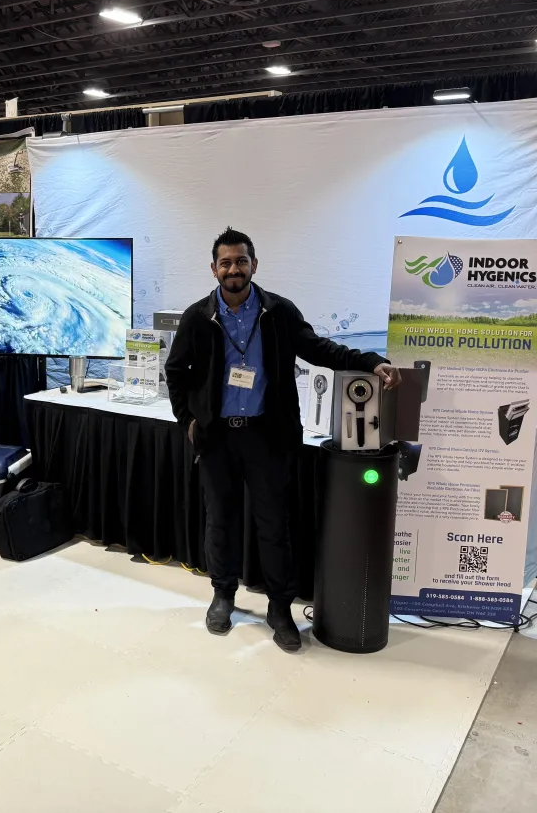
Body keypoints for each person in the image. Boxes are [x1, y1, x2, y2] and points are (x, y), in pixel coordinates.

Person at [165, 227, 401, 653]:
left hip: (267, 438)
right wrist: (190, 421)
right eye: (225, 263)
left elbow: (321, 349)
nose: (233, 269)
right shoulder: (198, 317)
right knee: (220, 522)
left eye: (241, 261)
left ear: (254, 264)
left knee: (274, 526)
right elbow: (176, 373)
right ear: (214, 269)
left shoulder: (278, 312)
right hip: (218, 440)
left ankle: (279, 608)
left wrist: (371, 361)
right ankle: (223, 595)